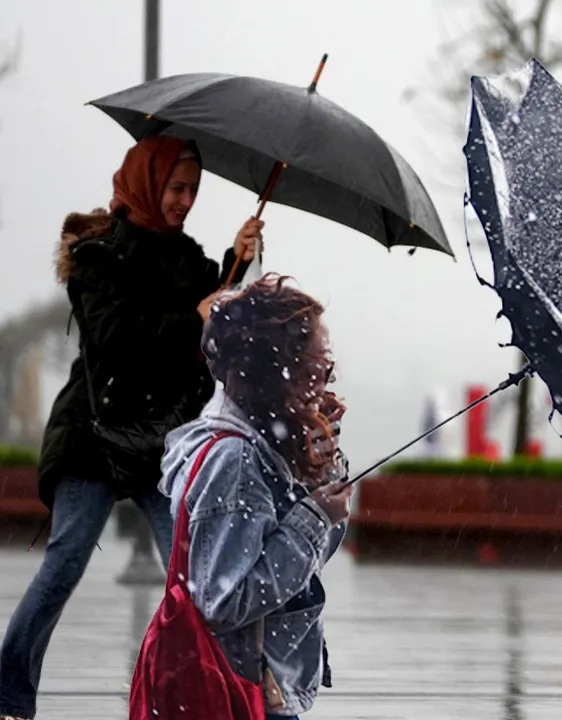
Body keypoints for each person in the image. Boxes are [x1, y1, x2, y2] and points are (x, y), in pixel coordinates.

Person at [0, 135, 261, 720]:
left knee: (191, 571)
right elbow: (114, 336)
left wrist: (236, 264)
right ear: (148, 183)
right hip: (94, 431)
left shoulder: (189, 260)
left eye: (193, 190)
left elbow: (210, 323)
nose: (185, 200)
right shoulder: (97, 257)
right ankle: (7, 697)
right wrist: (188, 316)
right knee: (65, 562)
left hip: (159, 439)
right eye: (176, 188)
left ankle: (188, 698)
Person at [158, 274, 350, 719]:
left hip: (261, 684)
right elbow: (224, 601)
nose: (326, 380)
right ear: (278, 371)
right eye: (318, 367)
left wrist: (321, 468)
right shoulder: (235, 460)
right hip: (241, 690)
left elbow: (308, 562)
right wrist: (315, 516)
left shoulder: (263, 443)